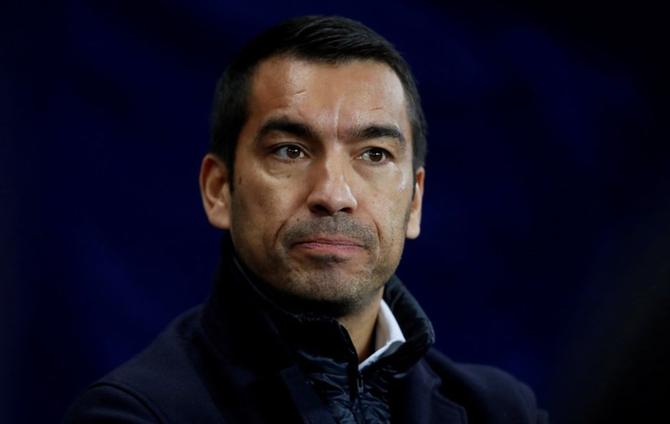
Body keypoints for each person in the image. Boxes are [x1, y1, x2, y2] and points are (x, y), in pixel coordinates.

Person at [65, 15, 548, 423]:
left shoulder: (500, 411)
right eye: (290, 151)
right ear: (218, 190)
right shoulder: (135, 414)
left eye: (374, 154)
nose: (334, 195)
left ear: (415, 202)